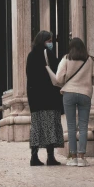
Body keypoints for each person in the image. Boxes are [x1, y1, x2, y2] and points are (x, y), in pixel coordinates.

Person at [56, 37, 94, 167]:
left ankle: (73, 157)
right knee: (84, 125)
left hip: (69, 93)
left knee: (70, 126)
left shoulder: (66, 59)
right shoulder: (90, 60)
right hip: (85, 94)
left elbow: (59, 78)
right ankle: (82, 157)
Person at [26, 31, 64, 166]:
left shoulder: (31, 55)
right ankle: (50, 157)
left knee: (36, 127)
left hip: (35, 98)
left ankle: (34, 156)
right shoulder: (47, 53)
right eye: (49, 40)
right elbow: (57, 71)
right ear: (43, 41)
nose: (51, 43)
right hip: (48, 97)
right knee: (50, 126)